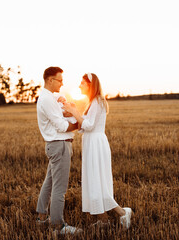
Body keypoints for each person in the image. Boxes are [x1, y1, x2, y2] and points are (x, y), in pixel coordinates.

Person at [62, 73, 132, 229]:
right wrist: (70, 111)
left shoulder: (98, 101)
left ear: (90, 85)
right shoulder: (92, 102)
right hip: (92, 143)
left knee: (97, 181)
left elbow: (88, 125)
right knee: (94, 180)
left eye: (82, 83)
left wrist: (75, 112)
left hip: (96, 144)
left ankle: (123, 213)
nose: (79, 86)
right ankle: (103, 219)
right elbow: (82, 123)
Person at [35, 67, 83, 235]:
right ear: (50, 80)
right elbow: (62, 126)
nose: (62, 83)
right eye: (60, 80)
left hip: (54, 145)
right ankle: (58, 226)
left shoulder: (48, 97)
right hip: (60, 145)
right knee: (59, 188)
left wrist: (61, 100)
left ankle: (41, 218)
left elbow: (56, 101)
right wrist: (80, 123)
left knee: (49, 182)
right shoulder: (47, 100)